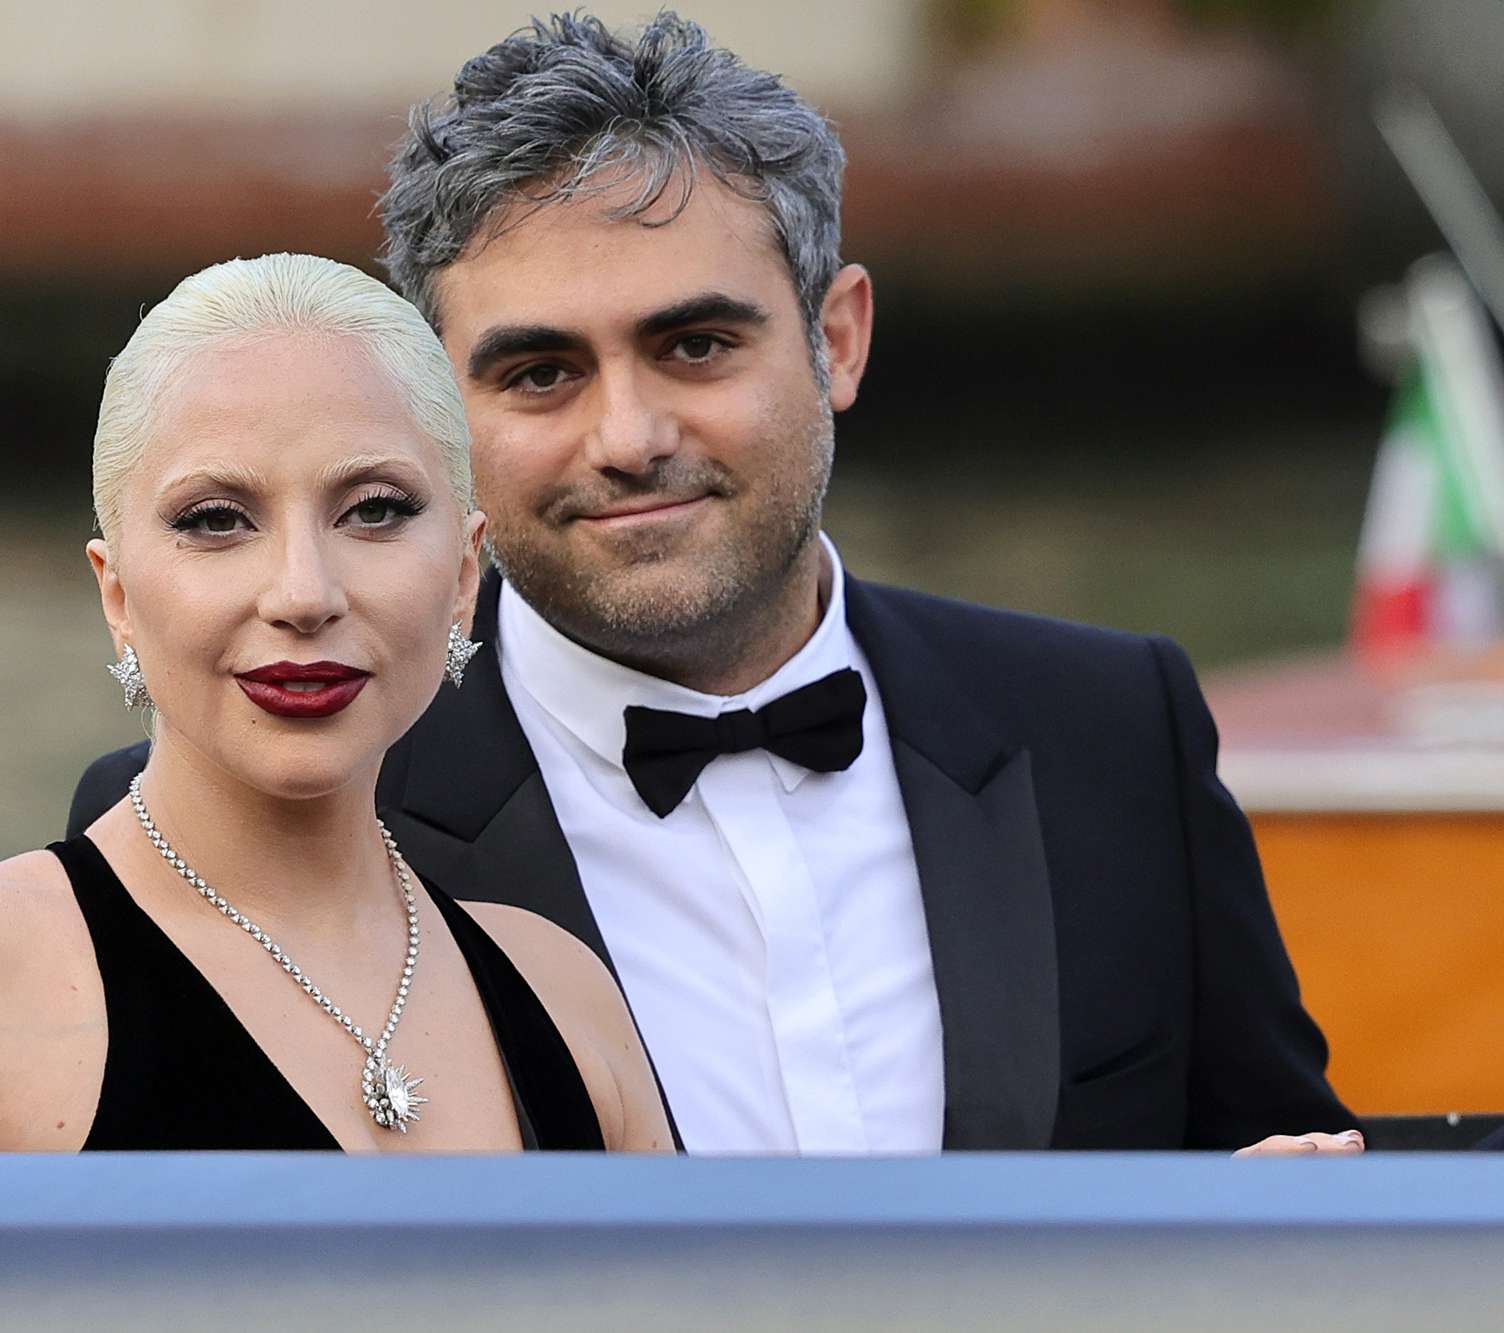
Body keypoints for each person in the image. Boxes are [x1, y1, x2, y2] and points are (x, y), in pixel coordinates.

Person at [71, 13, 1361, 1154]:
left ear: (835, 338)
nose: (627, 437)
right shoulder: (235, 804)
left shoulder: (1110, 728)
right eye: (538, 374)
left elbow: (1279, 1178)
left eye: (693, 346)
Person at [0, 253, 671, 1155]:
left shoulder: (565, 997)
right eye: (215, 520)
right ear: (117, 596)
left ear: (465, 574)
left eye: (374, 510)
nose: (303, 592)